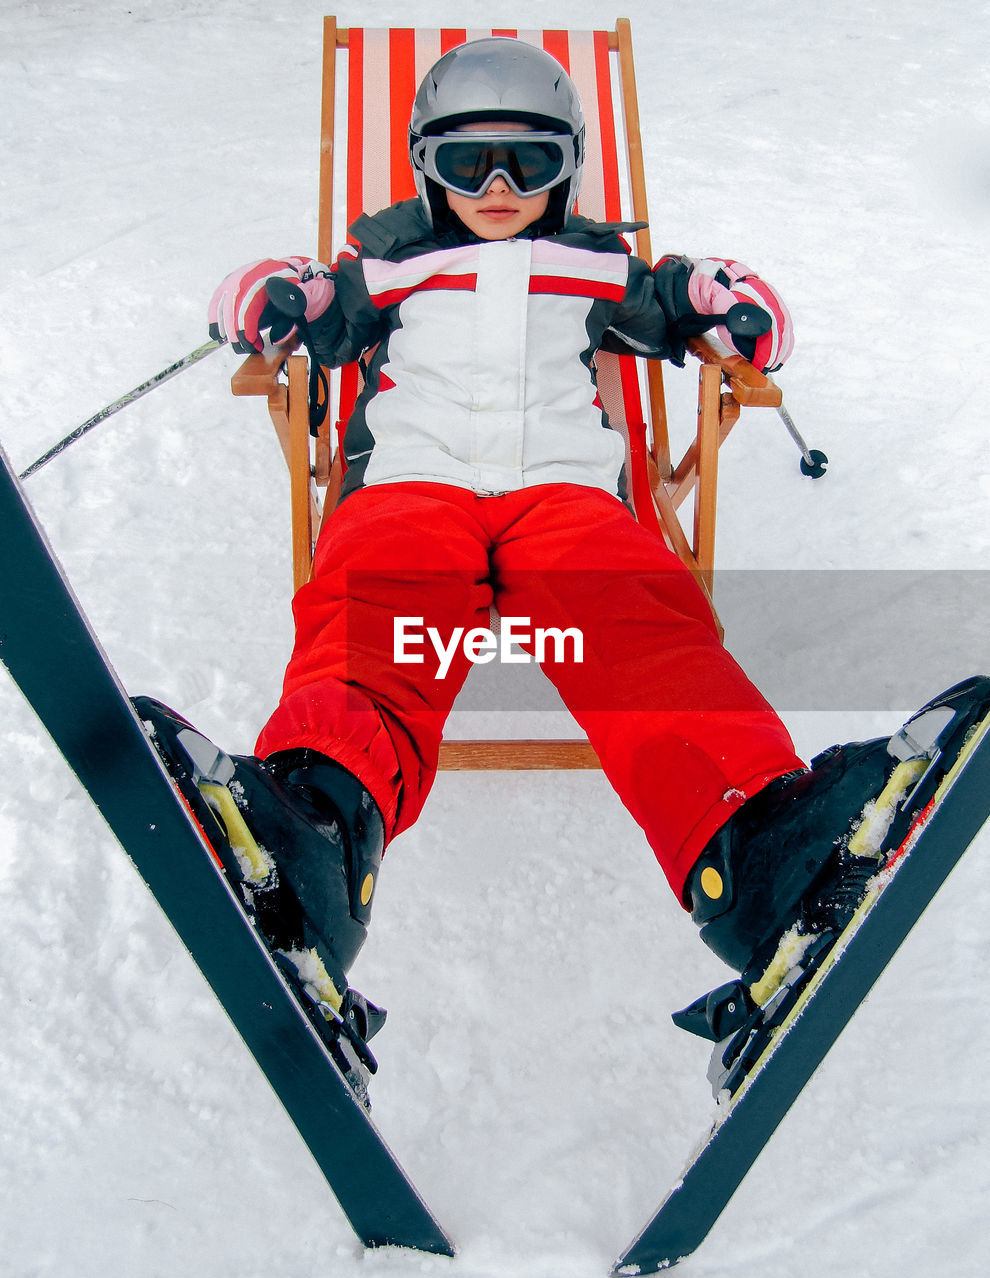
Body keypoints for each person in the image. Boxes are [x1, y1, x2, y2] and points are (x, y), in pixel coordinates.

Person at [138, 39, 978, 1034]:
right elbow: (299, 302)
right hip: (417, 483)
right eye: (468, 162)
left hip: (563, 497)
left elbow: (689, 299)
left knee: (636, 627)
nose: (499, 187)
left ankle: (761, 848)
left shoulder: (594, 263)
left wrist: (732, 303)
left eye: (530, 163)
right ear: (423, 163)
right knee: (382, 616)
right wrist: (270, 295)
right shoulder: (387, 260)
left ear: (569, 165)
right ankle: (316, 829)